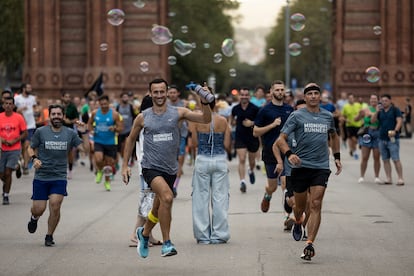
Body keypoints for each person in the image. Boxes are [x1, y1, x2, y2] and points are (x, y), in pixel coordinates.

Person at [121, 78, 212, 258]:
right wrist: (125, 165)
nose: (160, 95)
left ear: (167, 91)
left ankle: (144, 234)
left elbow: (205, 118)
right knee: (168, 198)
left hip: (170, 169)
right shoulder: (143, 117)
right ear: (150, 94)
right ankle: (167, 243)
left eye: (162, 91)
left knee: (157, 209)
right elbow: (130, 139)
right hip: (150, 168)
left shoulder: (178, 112)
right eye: (156, 92)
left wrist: (204, 100)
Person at [276, 83, 342, 261]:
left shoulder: (328, 116)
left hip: (320, 167)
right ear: (305, 98)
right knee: (299, 207)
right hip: (300, 167)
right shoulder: (296, 116)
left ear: (320, 97)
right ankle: (298, 221)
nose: (313, 96)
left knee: (316, 203)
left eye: (316, 93)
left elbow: (334, 136)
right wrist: (289, 154)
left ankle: (309, 243)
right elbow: (281, 139)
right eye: (310, 94)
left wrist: (336, 156)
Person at [26, 104, 89, 246]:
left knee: (55, 205)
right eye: (53, 114)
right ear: (49, 116)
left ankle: (49, 235)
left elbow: (85, 150)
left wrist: (84, 132)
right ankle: (34, 218)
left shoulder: (70, 133)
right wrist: (34, 159)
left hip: (59, 176)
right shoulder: (41, 132)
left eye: (58, 114)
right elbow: (30, 147)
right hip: (41, 176)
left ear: (63, 116)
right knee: (39, 209)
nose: (56, 116)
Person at [190, 90, 232, 244]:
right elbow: (227, 145)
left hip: (202, 159)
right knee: (220, 198)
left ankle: (202, 236)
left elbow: (194, 144)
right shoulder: (223, 120)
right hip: (220, 159)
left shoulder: (196, 121)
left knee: (200, 198)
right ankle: (219, 234)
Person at [253, 80, 294, 213]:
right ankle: (267, 195)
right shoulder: (264, 110)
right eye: (277, 90)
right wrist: (272, 125)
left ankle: (289, 217)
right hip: (270, 152)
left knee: (285, 185)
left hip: (287, 152)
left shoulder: (290, 109)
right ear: (271, 92)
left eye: (282, 90)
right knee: (272, 186)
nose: (280, 92)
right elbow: (255, 132)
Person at [88, 95, 123, 191]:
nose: (103, 105)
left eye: (105, 103)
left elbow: (121, 128)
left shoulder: (114, 114)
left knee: (108, 165)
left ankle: (107, 182)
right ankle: (99, 170)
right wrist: (91, 130)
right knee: (98, 159)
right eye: (101, 104)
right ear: (99, 104)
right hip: (98, 140)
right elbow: (89, 123)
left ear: (108, 103)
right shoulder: (95, 113)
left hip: (110, 142)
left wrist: (115, 128)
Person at [371, 94, 404, 185]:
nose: (384, 102)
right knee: (385, 159)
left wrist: (395, 130)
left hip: (392, 138)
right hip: (382, 138)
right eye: (382, 101)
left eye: (386, 100)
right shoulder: (380, 111)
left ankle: (400, 178)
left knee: (395, 158)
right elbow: (372, 121)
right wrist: (376, 111)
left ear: (390, 101)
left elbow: (399, 121)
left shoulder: (395, 110)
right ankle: (388, 178)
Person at [230, 87, 260, 193]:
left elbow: (260, 121)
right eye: (242, 95)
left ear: (249, 96)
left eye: (246, 95)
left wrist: (252, 123)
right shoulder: (235, 108)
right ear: (239, 96)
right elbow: (231, 119)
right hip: (240, 137)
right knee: (242, 159)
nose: (244, 97)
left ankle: (251, 170)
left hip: (252, 137)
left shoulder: (255, 108)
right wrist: (232, 123)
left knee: (252, 161)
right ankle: (242, 182)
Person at [0, 97, 28, 205]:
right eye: (6, 103)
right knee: (2, 174)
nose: (8, 105)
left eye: (10, 104)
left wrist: (14, 140)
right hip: (2, 149)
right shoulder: (0, 117)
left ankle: (6, 195)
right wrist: (2, 140)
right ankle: (17, 166)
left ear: (13, 106)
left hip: (14, 148)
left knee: (7, 173)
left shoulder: (18, 117)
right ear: (3, 105)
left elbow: (25, 133)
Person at [354, 94, 382, 184]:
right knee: (365, 157)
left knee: (376, 157)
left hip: (377, 133)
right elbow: (356, 119)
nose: (373, 100)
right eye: (372, 99)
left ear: (378, 100)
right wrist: (359, 114)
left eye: (375, 99)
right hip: (367, 133)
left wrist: (373, 113)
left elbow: (375, 120)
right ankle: (362, 176)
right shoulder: (365, 109)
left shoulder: (381, 110)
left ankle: (377, 177)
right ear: (369, 100)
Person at [167, 85, 188, 197]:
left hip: (181, 136)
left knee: (179, 162)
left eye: (174, 92)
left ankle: (175, 186)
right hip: (168, 136)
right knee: (169, 163)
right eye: (170, 92)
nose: (172, 94)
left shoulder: (183, 104)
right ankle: (169, 184)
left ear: (178, 93)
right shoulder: (165, 105)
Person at [14, 83, 37, 175]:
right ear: (23, 88)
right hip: (19, 125)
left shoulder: (32, 98)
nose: (30, 89)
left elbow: (35, 108)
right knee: (20, 146)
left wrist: (36, 111)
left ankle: (26, 165)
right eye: (28, 87)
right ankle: (20, 161)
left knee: (27, 146)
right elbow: (13, 110)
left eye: (30, 87)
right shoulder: (17, 98)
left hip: (30, 125)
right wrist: (19, 110)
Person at [62, 92, 80, 179]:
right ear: (62, 97)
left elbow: (76, 118)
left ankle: (70, 170)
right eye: (66, 96)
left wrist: (70, 121)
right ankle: (62, 169)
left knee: (69, 151)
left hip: (69, 130)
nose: (67, 98)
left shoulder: (72, 107)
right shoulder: (59, 107)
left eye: (69, 97)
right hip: (59, 130)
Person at [116, 92, 137, 167]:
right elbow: (115, 117)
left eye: (126, 97)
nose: (125, 98)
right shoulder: (118, 107)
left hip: (129, 129)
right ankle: (117, 161)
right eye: (124, 97)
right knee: (118, 146)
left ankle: (131, 159)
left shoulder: (131, 107)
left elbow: (135, 116)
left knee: (130, 144)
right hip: (121, 129)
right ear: (121, 98)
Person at [342, 93, 363, 159]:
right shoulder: (345, 106)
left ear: (354, 99)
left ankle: (352, 149)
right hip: (349, 125)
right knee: (351, 138)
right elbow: (343, 116)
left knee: (355, 140)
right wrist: (346, 120)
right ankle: (354, 151)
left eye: (352, 98)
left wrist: (362, 120)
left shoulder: (358, 105)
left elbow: (362, 114)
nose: (350, 99)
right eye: (349, 98)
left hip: (358, 125)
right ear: (348, 99)